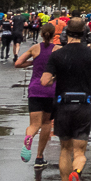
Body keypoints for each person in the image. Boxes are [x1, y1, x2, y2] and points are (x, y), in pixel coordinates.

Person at [41, 18, 91, 181]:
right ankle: (76, 172)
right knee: (79, 152)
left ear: (66, 34)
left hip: (63, 106)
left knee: (64, 150)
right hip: (84, 105)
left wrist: (55, 79)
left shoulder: (57, 55)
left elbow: (44, 81)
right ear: (85, 33)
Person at [16, 22, 60, 169]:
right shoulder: (58, 50)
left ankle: (29, 137)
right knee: (47, 123)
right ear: (54, 35)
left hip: (35, 89)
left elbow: (18, 63)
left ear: (41, 34)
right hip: (50, 90)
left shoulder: (35, 48)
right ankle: (39, 157)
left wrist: (32, 63)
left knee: (34, 124)